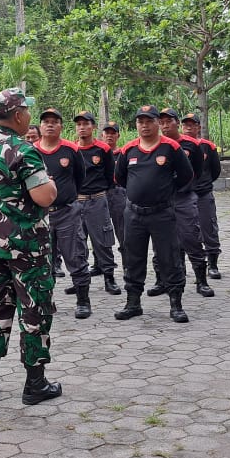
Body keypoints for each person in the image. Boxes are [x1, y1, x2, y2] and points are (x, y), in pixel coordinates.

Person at [0, 88, 62, 405]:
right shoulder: (23, 151)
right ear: (18, 115)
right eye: (27, 110)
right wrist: (52, 184)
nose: (29, 116)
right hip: (27, 247)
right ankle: (35, 384)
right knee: (35, 310)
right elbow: (44, 196)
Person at [114, 105, 194, 323]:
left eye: (149, 121)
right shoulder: (129, 150)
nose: (145, 125)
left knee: (170, 257)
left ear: (158, 123)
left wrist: (166, 190)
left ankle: (176, 304)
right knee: (133, 258)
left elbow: (186, 175)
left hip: (162, 214)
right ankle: (133, 303)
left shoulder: (171, 148)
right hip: (134, 214)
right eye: (140, 121)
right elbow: (120, 178)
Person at [146, 108, 212, 298]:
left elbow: (197, 170)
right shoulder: (154, 145)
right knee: (160, 242)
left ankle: (201, 281)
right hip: (161, 200)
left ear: (177, 123)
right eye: (162, 122)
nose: (165, 125)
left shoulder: (191, 144)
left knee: (191, 237)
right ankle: (161, 280)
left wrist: (185, 186)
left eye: (169, 121)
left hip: (183, 198)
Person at [35, 108, 92, 318]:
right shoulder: (31, 151)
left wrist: (66, 196)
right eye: (46, 121)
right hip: (40, 216)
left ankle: (83, 301)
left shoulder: (71, 150)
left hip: (67, 212)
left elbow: (80, 178)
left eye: (54, 121)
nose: (50, 125)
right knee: (43, 260)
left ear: (61, 126)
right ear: (40, 126)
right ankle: (46, 301)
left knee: (76, 256)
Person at [72, 111, 121, 296]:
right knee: (77, 243)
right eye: (79, 124)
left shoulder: (103, 149)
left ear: (93, 127)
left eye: (86, 124)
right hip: (76, 202)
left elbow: (110, 175)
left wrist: (99, 193)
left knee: (103, 241)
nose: (82, 127)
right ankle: (80, 281)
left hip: (97, 200)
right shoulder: (71, 149)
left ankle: (109, 278)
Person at [183, 112, 224, 280]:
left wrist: (204, 183)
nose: (188, 128)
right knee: (183, 231)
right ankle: (180, 266)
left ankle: (212, 265)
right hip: (184, 195)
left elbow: (215, 170)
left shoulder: (208, 146)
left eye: (191, 125)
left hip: (203, 194)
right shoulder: (177, 146)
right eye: (185, 125)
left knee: (209, 228)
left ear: (198, 127)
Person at [102, 121, 127, 255]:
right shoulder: (98, 153)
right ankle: (101, 262)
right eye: (107, 133)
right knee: (100, 230)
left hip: (118, 193)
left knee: (122, 228)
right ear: (102, 135)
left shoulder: (123, 153)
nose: (109, 136)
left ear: (118, 135)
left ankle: (127, 259)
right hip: (100, 194)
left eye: (113, 133)